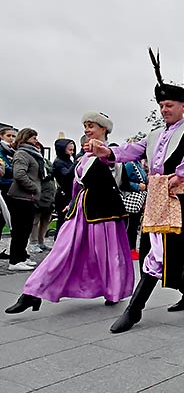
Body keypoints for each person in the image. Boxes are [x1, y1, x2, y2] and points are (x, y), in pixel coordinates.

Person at [90, 49, 184, 334]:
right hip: (157, 196)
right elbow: (134, 150)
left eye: (170, 105)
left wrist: (179, 174)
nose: (165, 110)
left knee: (159, 251)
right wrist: (109, 151)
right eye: (162, 106)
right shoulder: (155, 133)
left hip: (177, 196)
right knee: (165, 249)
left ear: (183, 106)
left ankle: (135, 310)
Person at [5, 113, 134, 314]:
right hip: (81, 211)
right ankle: (32, 293)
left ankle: (113, 291)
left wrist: (104, 154)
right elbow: (76, 183)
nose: (87, 130)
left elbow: (114, 170)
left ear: (103, 129)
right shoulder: (84, 158)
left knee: (106, 253)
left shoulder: (111, 153)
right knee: (60, 250)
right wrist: (72, 202)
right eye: (85, 127)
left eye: (91, 126)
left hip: (104, 211)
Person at [5, 128, 43, 271]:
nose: (36, 140)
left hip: (28, 197)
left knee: (25, 229)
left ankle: (21, 256)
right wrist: (34, 187)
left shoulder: (32, 153)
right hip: (20, 197)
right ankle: (14, 260)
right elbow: (19, 174)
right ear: (26, 138)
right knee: (20, 230)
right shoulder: (22, 153)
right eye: (33, 138)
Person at [28, 142, 56, 253]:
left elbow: (52, 172)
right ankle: (33, 242)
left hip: (49, 194)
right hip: (39, 193)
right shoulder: (34, 162)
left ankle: (41, 241)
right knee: (36, 220)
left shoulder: (46, 161)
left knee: (46, 219)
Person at [120, 157, 148, 260]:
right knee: (130, 226)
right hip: (132, 199)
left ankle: (131, 248)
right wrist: (137, 186)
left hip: (137, 201)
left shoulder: (138, 163)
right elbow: (123, 182)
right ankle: (129, 248)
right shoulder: (130, 164)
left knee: (134, 225)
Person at [52, 138, 76, 240]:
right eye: (70, 150)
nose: (72, 152)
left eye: (73, 150)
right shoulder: (59, 162)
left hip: (69, 192)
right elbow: (66, 175)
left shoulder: (68, 161)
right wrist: (76, 164)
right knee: (62, 220)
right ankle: (58, 241)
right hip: (63, 194)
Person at [0, 126, 16, 253]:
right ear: (2, 136)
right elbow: (6, 167)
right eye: (8, 136)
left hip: (11, 184)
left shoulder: (12, 150)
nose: (11, 138)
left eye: (13, 136)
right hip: (3, 184)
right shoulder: (2, 150)